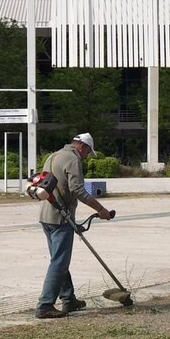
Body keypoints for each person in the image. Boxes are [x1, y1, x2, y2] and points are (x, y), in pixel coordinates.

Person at [35, 132, 112, 319]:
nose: (86, 157)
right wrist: (101, 209)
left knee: (59, 260)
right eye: (88, 153)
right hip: (60, 217)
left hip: (46, 216)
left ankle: (69, 299)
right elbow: (78, 190)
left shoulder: (53, 156)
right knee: (59, 262)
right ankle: (45, 305)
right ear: (82, 147)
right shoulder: (73, 159)